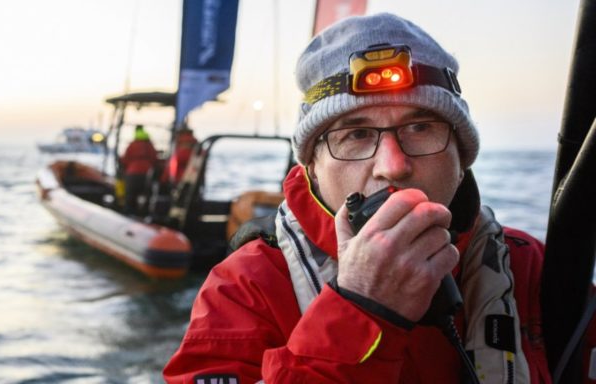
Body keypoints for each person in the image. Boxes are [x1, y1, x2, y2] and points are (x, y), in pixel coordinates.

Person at [164, 13, 552, 383]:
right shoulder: (245, 288)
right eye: (356, 134)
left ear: (462, 155)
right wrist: (360, 310)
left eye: (420, 127)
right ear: (312, 166)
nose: (393, 165)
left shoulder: (529, 265)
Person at [120, 125, 158, 215]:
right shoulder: (149, 144)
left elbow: (125, 159)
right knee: (147, 195)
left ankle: (129, 214)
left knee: (130, 196)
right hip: (147, 173)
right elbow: (154, 159)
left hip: (132, 173)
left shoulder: (132, 144)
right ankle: (145, 214)